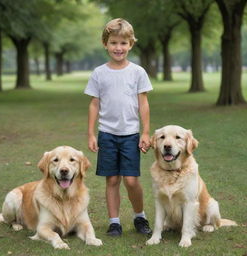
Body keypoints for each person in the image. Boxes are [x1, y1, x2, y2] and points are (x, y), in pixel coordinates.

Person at [84, 18, 153, 236]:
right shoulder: (99, 73)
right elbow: (94, 104)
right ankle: (114, 222)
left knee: (131, 180)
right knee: (112, 179)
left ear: (131, 44)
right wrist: (91, 133)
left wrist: (145, 132)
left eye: (123, 43)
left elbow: (143, 103)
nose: (118, 48)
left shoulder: (137, 72)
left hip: (130, 135)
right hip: (107, 134)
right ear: (105, 43)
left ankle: (139, 216)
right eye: (113, 43)